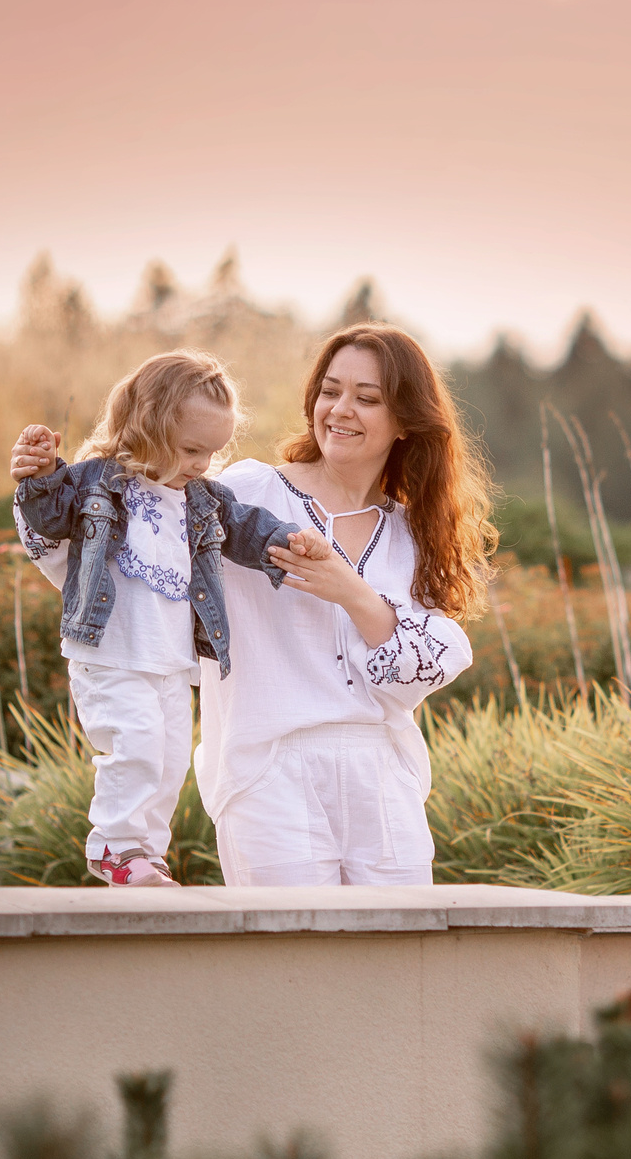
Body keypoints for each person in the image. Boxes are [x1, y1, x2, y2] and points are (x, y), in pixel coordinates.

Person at [185, 323, 497, 885]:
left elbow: (412, 679)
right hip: (266, 767)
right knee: (296, 963)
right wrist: (48, 496)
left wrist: (351, 591)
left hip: (381, 773)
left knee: (400, 961)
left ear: (405, 422)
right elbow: (146, 544)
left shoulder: (414, 535)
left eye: (367, 398)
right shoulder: (249, 493)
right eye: (330, 391)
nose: (340, 410)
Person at [10, 350, 323, 886]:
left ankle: (145, 856)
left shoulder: (202, 499)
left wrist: (283, 541)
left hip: (173, 661)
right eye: (191, 449)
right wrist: (39, 474)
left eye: (211, 452)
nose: (202, 464)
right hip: (110, 652)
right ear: (147, 427)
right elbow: (48, 514)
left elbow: (245, 528)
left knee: (170, 756)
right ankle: (114, 846)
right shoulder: (95, 482)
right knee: (133, 744)